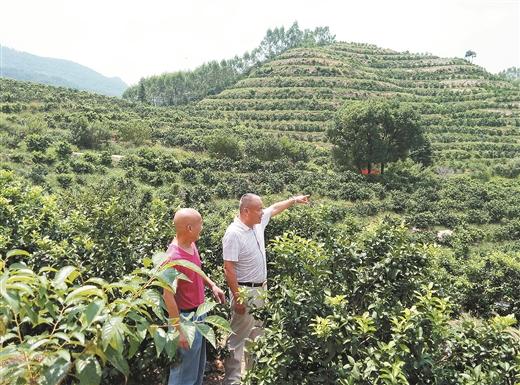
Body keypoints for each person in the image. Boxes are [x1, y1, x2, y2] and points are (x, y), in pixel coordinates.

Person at [222, 193, 310, 385]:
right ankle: (232, 380)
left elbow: (275, 208)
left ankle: (253, 377)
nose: (262, 212)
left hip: (261, 290)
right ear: (246, 211)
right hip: (245, 292)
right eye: (258, 209)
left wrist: (294, 200)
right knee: (238, 338)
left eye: (262, 208)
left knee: (257, 335)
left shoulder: (257, 224)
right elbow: (228, 268)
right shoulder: (233, 233)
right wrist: (238, 298)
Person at [163, 208, 226, 385]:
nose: (202, 227)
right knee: (183, 374)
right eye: (200, 224)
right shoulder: (172, 258)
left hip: (198, 315)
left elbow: (196, 270)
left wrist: (211, 284)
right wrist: (179, 330)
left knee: (195, 370)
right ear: (189, 228)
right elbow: (167, 296)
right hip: (185, 319)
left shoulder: (190, 243)